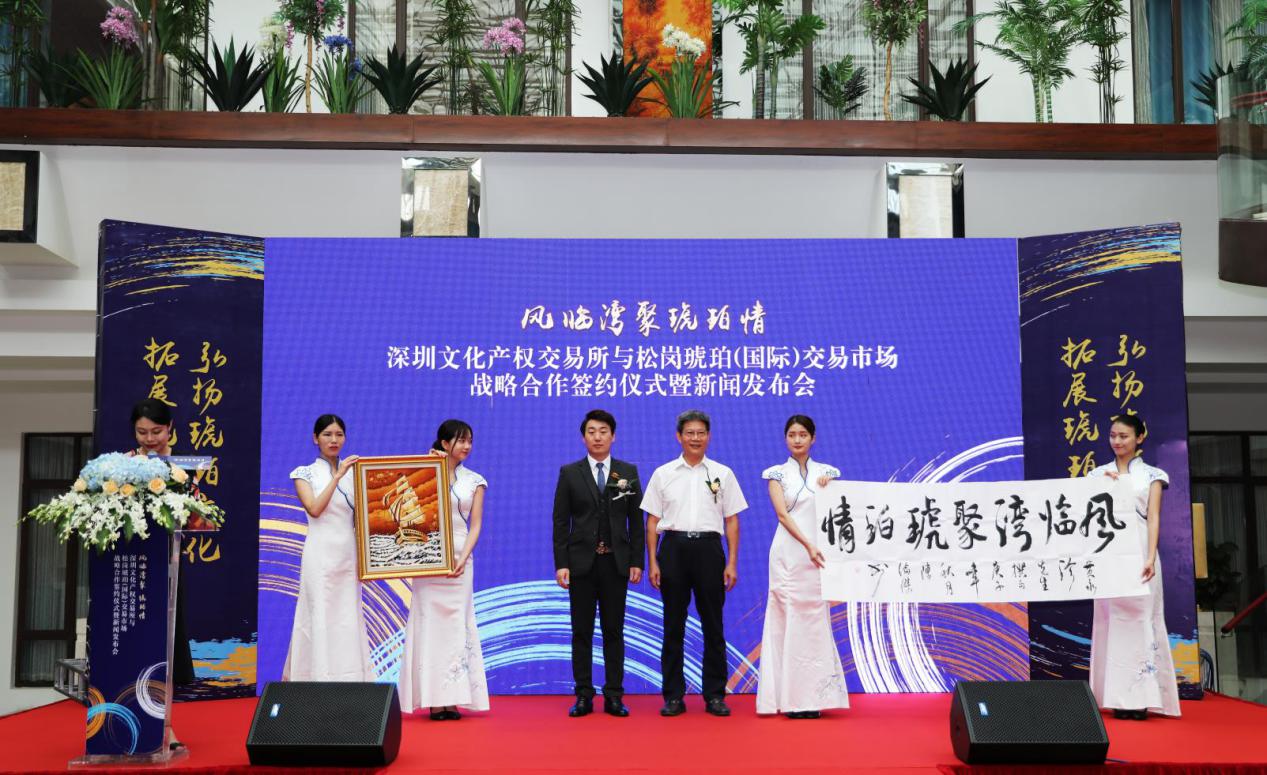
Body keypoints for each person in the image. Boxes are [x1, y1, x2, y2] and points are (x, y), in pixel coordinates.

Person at [642, 409, 747, 717]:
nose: (695, 438)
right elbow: (652, 522)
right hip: (673, 549)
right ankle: (673, 696)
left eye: (701, 433)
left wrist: (732, 562)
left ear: (709, 436)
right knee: (673, 625)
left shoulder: (722, 473)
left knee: (714, 625)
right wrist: (653, 562)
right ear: (679, 436)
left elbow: (732, 520)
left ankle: (715, 695)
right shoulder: (663, 473)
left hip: (709, 550)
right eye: (690, 433)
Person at [1087, 413, 1181, 720]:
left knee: (1142, 620)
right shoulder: (1097, 474)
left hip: (1141, 550)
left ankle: (1142, 697)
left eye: (1124, 436)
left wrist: (1150, 557)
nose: (1117, 441)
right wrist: (1107, 487)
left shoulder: (1153, 475)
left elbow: (1153, 518)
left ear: (1140, 438)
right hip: (1109, 552)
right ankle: (1113, 696)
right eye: (1113, 435)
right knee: (1110, 621)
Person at [755, 415, 850, 718]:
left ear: (813, 438)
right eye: (792, 435)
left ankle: (816, 698)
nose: (797, 440)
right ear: (786, 439)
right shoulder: (776, 474)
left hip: (818, 557)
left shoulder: (828, 472)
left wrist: (829, 488)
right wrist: (807, 544)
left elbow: (839, 510)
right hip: (789, 555)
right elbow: (783, 515)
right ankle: (789, 699)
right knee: (788, 620)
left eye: (803, 434)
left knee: (814, 622)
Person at [552, 409, 645, 717]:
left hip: (616, 564)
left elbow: (636, 520)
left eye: (603, 431)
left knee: (613, 631)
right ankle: (583, 694)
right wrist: (561, 563)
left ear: (613, 436)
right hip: (581, 565)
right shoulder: (570, 473)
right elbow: (560, 521)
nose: (597, 437)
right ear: (583, 437)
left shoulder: (627, 472)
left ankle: (614, 695)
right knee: (581, 632)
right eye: (591, 431)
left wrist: (637, 560)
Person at [399, 419, 489, 720]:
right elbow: (413, 513)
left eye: (469, 441)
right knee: (430, 627)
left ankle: (455, 698)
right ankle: (434, 700)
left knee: (457, 627)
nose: (466, 446)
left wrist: (465, 556)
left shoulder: (474, 480)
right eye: (460, 440)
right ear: (444, 443)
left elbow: (475, 524)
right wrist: (429, 469)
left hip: (461, 559)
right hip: (428, 558)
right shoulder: (422, 475)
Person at [285, 414, 371, 682]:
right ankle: (318, 679)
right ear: (315, 438)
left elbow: (366, 517)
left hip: (348, 555)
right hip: (320, 554)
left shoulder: (356, 474)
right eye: (327, 434)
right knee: (320, 613)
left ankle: (351, 679)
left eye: (339, 435)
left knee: (346, 616)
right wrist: (338, 476)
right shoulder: (304, 473)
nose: (334, 440)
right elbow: (315, 508)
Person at [128, 398, 196, 688]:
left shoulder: (185, 465)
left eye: (156, 431)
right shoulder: (124, 463)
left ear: (170, 427)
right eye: (142, 432)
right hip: (132, 552)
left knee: (169, 616)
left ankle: (173, 680)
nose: (149, 439)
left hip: (169, 551)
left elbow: (192, 509)